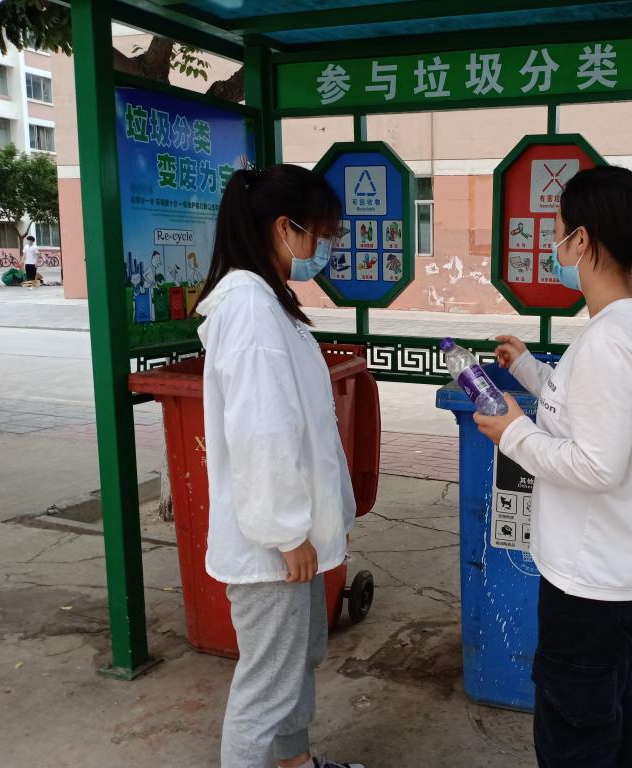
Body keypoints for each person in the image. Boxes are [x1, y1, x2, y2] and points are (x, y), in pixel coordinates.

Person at [474, 166, 632, 768]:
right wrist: (529, 370)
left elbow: (595, 464)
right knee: (612, 722)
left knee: (576, 739)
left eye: (560, 230)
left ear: (583, 240)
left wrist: (514, 433)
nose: (555, 245)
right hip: (623, 573)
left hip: (592, 586)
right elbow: (588, 407)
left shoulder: (609, 340)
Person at [194, 164, 363, 768]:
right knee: (266, 686)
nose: (323, 246)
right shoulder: (249, 308)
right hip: (272, 543)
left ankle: (295, 762)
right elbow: (261, 432)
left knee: (294, 664)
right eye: (320, 232)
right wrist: (287, 532)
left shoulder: (267, 302)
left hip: (290, 535)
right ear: (284, 228)